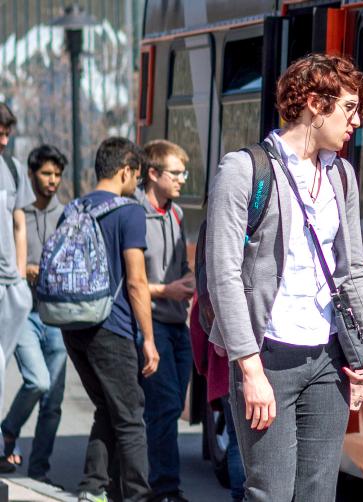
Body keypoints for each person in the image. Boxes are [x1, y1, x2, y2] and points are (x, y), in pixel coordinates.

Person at [203, 53, 363, 501]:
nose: (357, 121)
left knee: (318, 493)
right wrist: (248, 368)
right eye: (348, 108)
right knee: (270, 492)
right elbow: (223, 275)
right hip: (268, 356)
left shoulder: (342, 175)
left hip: (328, 358)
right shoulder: (245, 169)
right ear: (314, 103)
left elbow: (352, 268)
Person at [66, 137, 161, 502]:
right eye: (136, 178)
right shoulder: (129, 211)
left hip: (73, 325)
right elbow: (136, 281)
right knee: (131, 415)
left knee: (109, 406)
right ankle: (137, 495)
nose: (136, 186)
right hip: (112, 326)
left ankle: (93, 488)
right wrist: (148, 339)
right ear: (126, 170)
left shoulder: (74, 208)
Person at [3, 144, 68, 483]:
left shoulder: (67, 215)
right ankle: (9, 429)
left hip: (57, 316)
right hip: (25, 313)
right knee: (38, 381)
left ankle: (39, 472)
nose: (52, 181)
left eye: (57, 174)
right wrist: (24, 269)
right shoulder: (18, 215)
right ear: (31, 175)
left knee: (53, 402)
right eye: (46, 173)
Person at [136, 140, 195, 502]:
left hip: (178, 323)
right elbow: (132, 281)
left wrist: (188, 282)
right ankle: (163, 488)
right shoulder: (134, 214)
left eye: (183, 173)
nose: (182, 181)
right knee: (166, 405)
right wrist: (166, 290)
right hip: (152, 322)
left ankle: (157, 482)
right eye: (176, 173)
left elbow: (181, 268)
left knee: (171, 406)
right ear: (153, 173)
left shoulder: (176, 213)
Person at [0, 103, 34, 477]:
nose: (5, 140)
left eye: (7, 133)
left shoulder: (10, 168)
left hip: (11, 286)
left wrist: (22, 279)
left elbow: (19, 224)